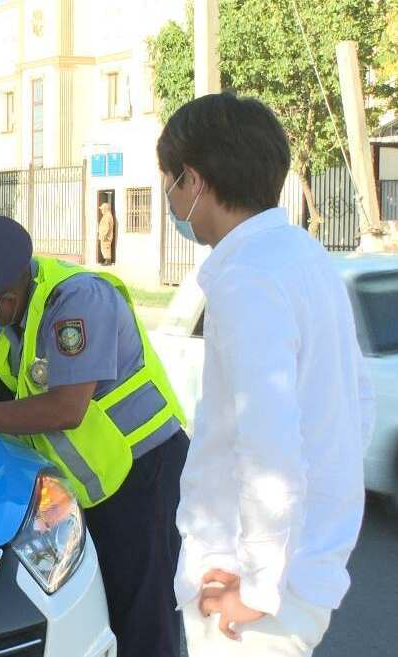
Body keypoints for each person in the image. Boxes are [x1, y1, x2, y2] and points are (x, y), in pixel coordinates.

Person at [0, 214, 188, 657]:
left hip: (140, 473)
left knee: (145, 617)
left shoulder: (77, 302)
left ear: (6, 298)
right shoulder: (1, 311)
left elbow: (65, 409)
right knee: (98, 610)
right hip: (85, 483)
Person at [159, 93, 374, 656]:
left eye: (170, 182)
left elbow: (268, 448)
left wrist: (256, 587)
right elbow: (358, 403)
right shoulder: (302, 254)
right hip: (302, 566)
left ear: (194, 181)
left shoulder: (248, 279)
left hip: (251, 588)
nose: (171, 200)